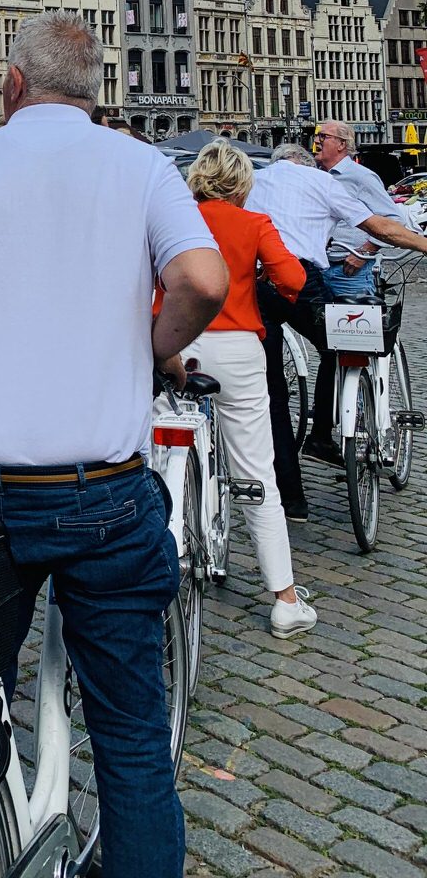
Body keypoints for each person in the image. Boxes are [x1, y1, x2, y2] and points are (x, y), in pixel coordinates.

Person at [0, 13, 228, 878]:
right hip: (102, 490)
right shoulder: (140, 165)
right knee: (132, 735)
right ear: (92, 90)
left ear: (10, 85)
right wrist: (151, 343)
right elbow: (203, 281)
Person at [175, 142, 317, 636]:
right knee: (258, 469)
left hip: (178, 342)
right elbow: (294, 280)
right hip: (236, 346)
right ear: (241, 183)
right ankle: (284, 597)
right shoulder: (253, 224)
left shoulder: (180, 219)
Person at [246, 142, 427, 514]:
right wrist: (423, 245)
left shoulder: (254, 180)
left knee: (273, 394)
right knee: (340, 344)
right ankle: (322, 434)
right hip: (299, 280)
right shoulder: (320, 181)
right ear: (305, 163)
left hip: (256, 283)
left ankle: (291, 498)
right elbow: (380, 227)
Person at [313, 119, 412, 300]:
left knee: (353, 324)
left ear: (342, 144)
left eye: (323, 136)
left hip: (350, 271)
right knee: (322, 326)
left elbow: (395, 219)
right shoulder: (319, 176)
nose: (317, 141)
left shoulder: (361, 176)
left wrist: (365, 252)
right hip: (320, 269)